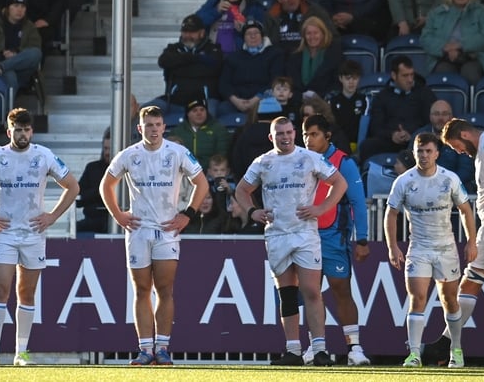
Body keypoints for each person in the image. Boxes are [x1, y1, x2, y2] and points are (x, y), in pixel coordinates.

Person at [0, 107, 79, 366]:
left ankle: (21, 353)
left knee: (26, 292)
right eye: (17, 130)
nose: (22, 134)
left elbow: (72, 186)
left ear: (31, 131)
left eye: (26, 129)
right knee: (0, 290)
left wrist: (53, 216)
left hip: (34, 234)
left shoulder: (43, 155)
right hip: (5, 233)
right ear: (8, 131)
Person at [99, 106, 209, 365]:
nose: (154, 129)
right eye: (149, 125)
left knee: (165, 289)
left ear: (164, 127)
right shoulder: (129, 155)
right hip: (138, 230)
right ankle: (145, 349)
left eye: (158, 124)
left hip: (167, 230)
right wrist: (118, 214)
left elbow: (201, 183)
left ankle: (163, 347)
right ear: (140, 128)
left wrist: (188, 214)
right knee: (141, 290)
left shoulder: (177, 152)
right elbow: (106, 184)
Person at [235, 116, 347, 366]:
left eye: (288, 132)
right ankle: (293, 350)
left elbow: (339, 182)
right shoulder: (263, 162)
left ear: (294, 133)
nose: (285, 137)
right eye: (280, 134)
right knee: (286, 294)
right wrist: (253, 211)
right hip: (277, 234)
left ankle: (319, 349)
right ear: (271, 137)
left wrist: (322, 208)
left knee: (311, 290)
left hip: (305, 233)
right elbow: (242, 189)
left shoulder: (310, 158)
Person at [424, 118, 484, 367]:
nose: (459, 152)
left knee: (470, 282)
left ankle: (445, 344)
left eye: (456, 146)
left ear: (465, 135)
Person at [384, 132, 477, 368]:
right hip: (419, 248)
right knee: (417, 298)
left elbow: (466, 210)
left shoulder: (449, 179)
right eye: (420, 151)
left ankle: (456, 350)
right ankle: (414, 354)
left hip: (445, 248)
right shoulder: (404, 181)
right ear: (414, 153)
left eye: (428, 151)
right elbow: (390, 214)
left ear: (437, 153)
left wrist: (471, 241)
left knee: (450, 300)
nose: (424, 155)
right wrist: (392, 246)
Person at [300, 114, 370, 366]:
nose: (308, 140)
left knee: (341, 289)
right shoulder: (299, 160)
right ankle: (315, 347)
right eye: (305, 135)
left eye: (314, 134)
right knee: (311, 293)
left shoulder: (344, 162)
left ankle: (354, 348)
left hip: (333, 236)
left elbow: (358, 201)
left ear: (327, 136)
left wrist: (362, 239)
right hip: (305, 235)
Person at [420, 0, 484, 86]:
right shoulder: (437, 13)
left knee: (470, 72)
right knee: (443, 72)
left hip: (476, 57)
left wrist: (460, 45)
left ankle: (473, 98)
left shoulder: (482, 11)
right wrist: (445, 47)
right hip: (445, 56)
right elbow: (425, 38)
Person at [358, 55, 437, 163]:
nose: (410, 80)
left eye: (411, 75)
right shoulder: (382, 97)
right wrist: (392, 135)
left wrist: (411, 134)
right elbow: (376, 127)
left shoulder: (425, 94)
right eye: (405, 76)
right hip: (389, 141)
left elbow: (429, 122)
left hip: (416, 141)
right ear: (394, 75)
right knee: (367, 146)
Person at [152, 14, 224, 116]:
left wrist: (179, 66)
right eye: (185, 32)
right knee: (147, 111)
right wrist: (194, 58)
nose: (188, 36)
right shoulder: (173, 48)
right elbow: (163, 61)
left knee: (207, 117)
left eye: (192, 32)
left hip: (205, 100)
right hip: (175, 99)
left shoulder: (213, 49)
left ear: (202, 33)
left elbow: (214, 68)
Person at [217, 19, 284, 117]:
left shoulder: (274, 54)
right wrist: (236, 101)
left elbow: (275, 81)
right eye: (248, 34)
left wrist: (256, 99)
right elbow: (224, 84)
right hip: (238, 101)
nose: (253, 36)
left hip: (263, 99)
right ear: (244, 38)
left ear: (262, 36)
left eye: (256, 33)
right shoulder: (233, 57)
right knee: (223, 109)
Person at [195, 0, 266, 55]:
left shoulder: (254, 7)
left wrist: (244, 27)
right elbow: (196, 23)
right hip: (212, 55)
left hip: (239, 57)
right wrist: (216, 11)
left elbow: (262, 34)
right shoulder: (213, 3)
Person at [410, 100, 475, 192]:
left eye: (445, 114)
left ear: (452, 117)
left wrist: (445, 184)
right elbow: (410, 164)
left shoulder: (461, 136)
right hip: (422, 186)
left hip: (453, 187)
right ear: (430, 116)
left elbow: (466, 170)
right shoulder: (419, 136)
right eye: (436, 114)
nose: (440, 118)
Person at [263, 0, 337, 55]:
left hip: (307, 56)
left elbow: (333, 36)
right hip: (280, 58)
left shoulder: (315, 12)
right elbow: (264, 42)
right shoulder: (271, 15)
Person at [286, 16, 343, 101]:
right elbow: (291, 84)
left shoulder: (334, 54)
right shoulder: (295, 56)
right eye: (308, 33)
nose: (312, 37)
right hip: (300, 101)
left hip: (325, 100)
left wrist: (318, 97)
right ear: (304, 36)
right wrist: (300, 97)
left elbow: (337, 83)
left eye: (316, 33)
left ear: (323, 34)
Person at [168, 95, 231, 170]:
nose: (199, 113)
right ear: (188, 114)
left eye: (202, 110)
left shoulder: (219, 130)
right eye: (194, 110)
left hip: (210, 172)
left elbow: (222, 155)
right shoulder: (177, 131)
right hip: (184, 171)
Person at [325, 59, 367, 152]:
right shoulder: (332, 100)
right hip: (337, 143)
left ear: (359, 79)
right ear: (341, 78)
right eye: (348, 78)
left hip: (357, 143)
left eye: (355, 78)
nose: (351, 82)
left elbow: (365, 126)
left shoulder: (364, 99)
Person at [76, 127, 111, 233]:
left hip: (118, 221)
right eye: (105, 148)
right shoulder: (92, 168)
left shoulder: (127, 170)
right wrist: (99, 191)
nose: (107, 153)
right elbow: (78, 199)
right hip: (92, 221)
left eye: (110, 149)